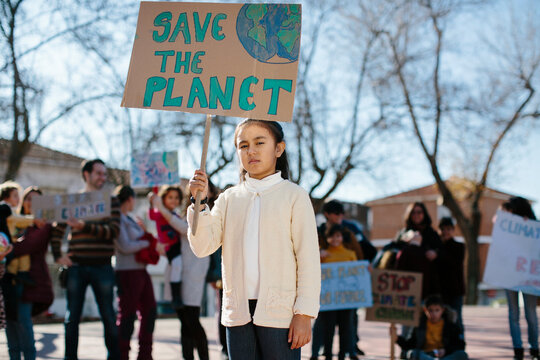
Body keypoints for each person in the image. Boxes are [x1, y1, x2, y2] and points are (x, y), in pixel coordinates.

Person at [187, 119, 321, 360]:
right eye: (243, 145)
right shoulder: (229, 198)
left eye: (260, 142)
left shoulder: (294, 196)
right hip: (237, 312)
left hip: (281, 313)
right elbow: (202, 246)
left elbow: (308, 259)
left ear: (279, 149)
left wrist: (304, 314)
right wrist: (200, 203)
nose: (251, 151)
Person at [51, 159, 120, 360]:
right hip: (77, 266)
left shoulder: (111, 201)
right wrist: (57, 256)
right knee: (72, 318)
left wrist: (83, 226)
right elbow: (57, 231)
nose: (103, 178)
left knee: (108, 315)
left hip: (103, 267)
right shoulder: (72, 201)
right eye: (99, 173)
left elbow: (113, 231)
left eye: (104, 174)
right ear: (86, 175)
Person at [150, 188, 210, 360]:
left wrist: (160, 207)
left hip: (193, 275)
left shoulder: (200, 218)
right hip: (178, 274)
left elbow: (183, 229)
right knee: (184, 322)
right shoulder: (179, 216)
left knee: (192, 320)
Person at [318, 199, 375, 356]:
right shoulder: (318, 231)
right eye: (337, 213)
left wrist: (364, 265)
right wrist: (318, 253)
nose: (340, 216)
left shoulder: (350, 231)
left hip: (347, 288)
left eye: (342, 213)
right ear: (327, 215)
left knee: (349, 322)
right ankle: (324, 349)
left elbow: (359, 252)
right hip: (327, 289)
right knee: (325, 322)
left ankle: (350, 348)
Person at [6, 187, 54, 360]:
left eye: (36, 200)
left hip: (29, 283)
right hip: (9, 280)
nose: (30, 203)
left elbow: (27, 245)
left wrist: (6, 249)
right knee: (10, 325)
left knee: (23, 324)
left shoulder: (43, 225)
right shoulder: (15, 222)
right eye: (28, 198)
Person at [114, 185, 157, 360]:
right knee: (128, 315)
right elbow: (124, 246)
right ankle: (122, 354)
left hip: (141, 271)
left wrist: (145, 235)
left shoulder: (131, 219)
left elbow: (137, 241)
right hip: (127, 272)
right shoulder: (117, 219)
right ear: (130, 199)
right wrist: (146, 243)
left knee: (150, 311)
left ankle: (145, 355)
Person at [500, 197, 538, 360]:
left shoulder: (534, 229)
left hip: (528, 276)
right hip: (510, 274)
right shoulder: (505, 228)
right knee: (513, 313)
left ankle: (534, 348)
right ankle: (518, 349)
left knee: (530, 313)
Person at [316, 224, 358, 360]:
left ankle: (341, 356)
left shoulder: (350, 254)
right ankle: (327, 355)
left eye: (338, 236)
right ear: (327, 238)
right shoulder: (322, 254)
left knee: (345, 329)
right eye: (332, 236)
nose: (335, 239)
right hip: (329, 299)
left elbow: (357, 275)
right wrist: (319, 256)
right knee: (328, 329)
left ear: (342, 237)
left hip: (346, 299)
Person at [393, 295, 468, 360]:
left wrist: (445, 350)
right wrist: (397, 338)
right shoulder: (419, 326)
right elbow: (410, 345)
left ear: (442, 310)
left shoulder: (451, 325)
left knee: (462, 354)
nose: (434, 314)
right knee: (412, 353)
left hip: (445, 356)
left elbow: (460, 345)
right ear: (425, 310)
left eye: (437, 310)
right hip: (426, 355)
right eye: (430, 310)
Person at [148, 185, 184, 309]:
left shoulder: (176, 216)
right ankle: (175, 296)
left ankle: (176, 294)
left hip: (177, 245)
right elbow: (151, 215)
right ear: (163, 199)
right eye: (170, 197)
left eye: (176, 198)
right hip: (169, 247)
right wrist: (152, 202)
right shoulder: (159, 214)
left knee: (177, 266)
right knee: (177, 264)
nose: (174, 200)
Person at [437, 217, 465, 336]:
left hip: (455, 289)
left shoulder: (459, 246)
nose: (446, 232)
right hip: (440, 290)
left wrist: (439, 253)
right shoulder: (437, 246)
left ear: (453, 230)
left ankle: (460, 342)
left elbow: (455, 262)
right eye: (443, 229)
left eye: (448, 229)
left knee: (456, 318)